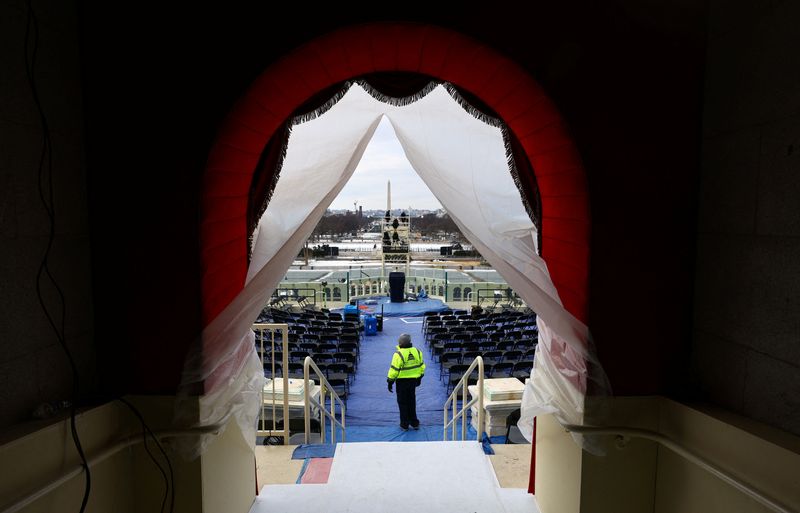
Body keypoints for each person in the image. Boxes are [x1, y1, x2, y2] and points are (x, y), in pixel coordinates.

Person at [386, 333, 425, 430]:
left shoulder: (398, 354)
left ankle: (404, 424)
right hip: (413, 382)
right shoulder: (417, 351)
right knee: (412, 401)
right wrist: (419, 377)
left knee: (402, 402)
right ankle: (414, 422)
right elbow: (421, 366)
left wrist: (390, 381)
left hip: (402, 382)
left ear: (400, 343)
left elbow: (394, 369)